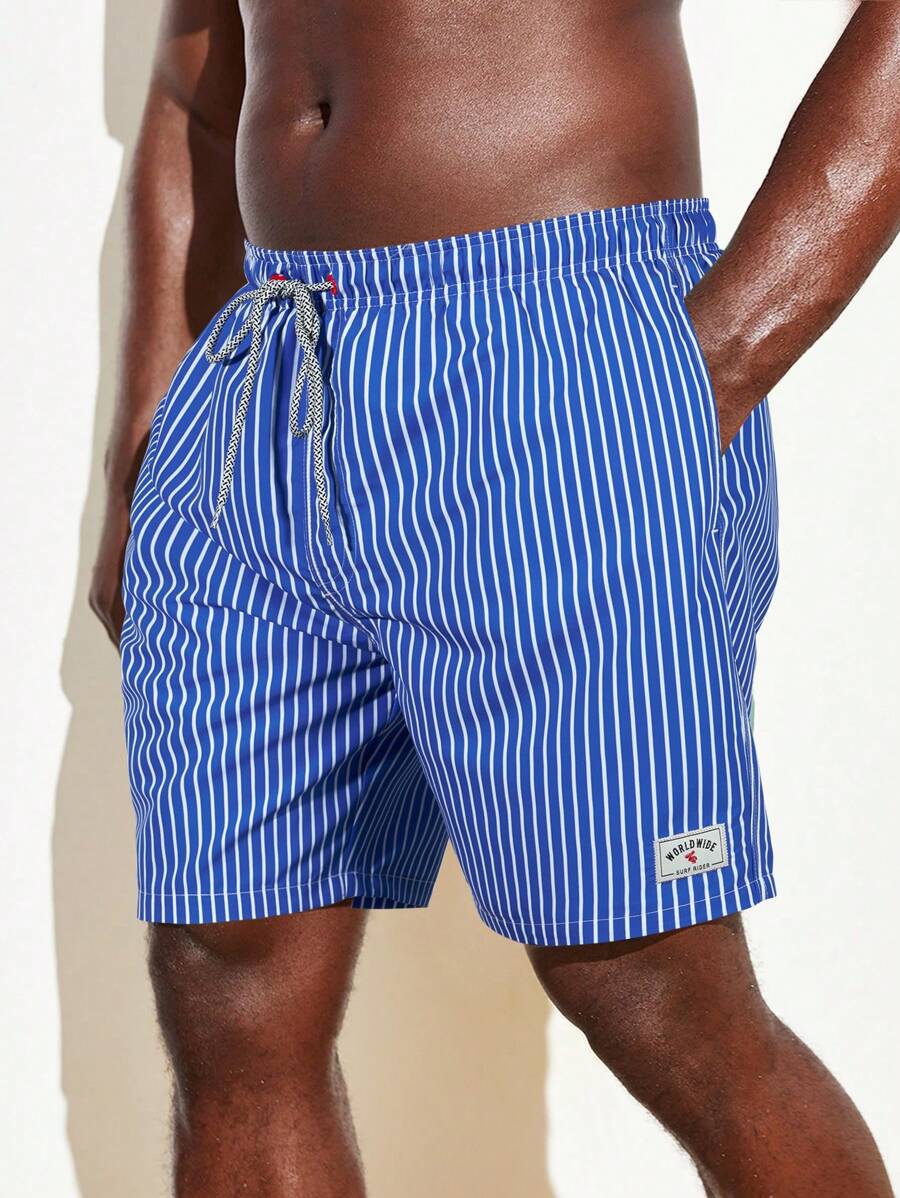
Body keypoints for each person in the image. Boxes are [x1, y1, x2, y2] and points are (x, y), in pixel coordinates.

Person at [90, 2, 899, 1195]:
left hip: (556, 354)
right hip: (260, 379)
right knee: (227, 976)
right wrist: (152, 440)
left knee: (648, 983)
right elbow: (196, 77)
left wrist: (718, 359)